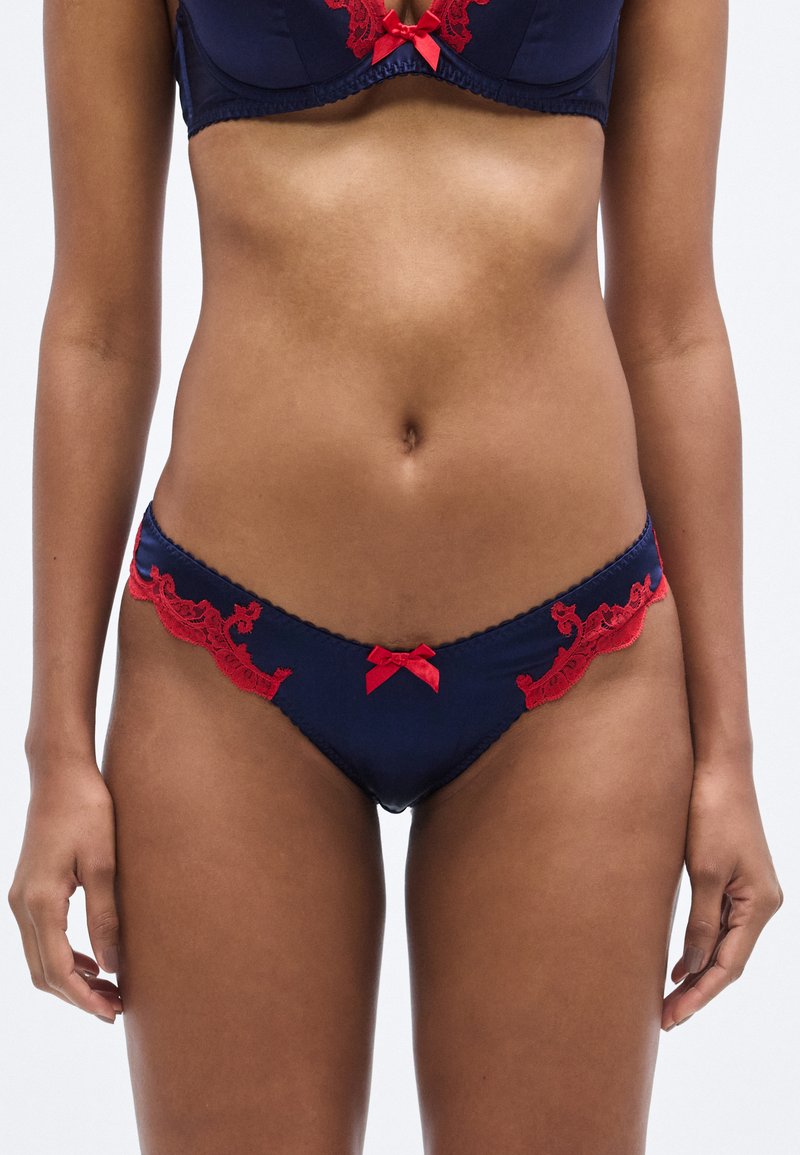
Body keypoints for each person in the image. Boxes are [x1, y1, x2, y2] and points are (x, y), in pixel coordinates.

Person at [8, 1, 783, 1152]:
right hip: (225, 659)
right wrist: (56, 751)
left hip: (579, 668)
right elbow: (97, 329)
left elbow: (672, 329)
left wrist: (728, 755)